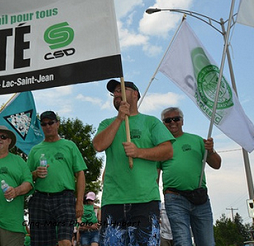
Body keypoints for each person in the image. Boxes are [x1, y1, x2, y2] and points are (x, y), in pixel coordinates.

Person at [92, 79, 174, 245]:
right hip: (113, 200)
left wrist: (139, 152)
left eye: (120, 89)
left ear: (135, 94)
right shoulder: (107, 123)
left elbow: (167, 151)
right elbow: (98, 145)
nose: (116, 94)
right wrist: (119, 119)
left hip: (145, 201)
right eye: (114, 92)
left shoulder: (151, 122)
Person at [158, 107, 221, 246]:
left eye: (176, 119)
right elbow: (155, 177)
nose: (172, 122)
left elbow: (216, 164)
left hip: (200, 198)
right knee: (182, 241)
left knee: (207, 242)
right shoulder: (160, 146)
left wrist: (211, 151)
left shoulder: (197, 141)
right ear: (163, 123)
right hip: (174, 198)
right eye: (168, 120)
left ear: (182, 121)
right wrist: (155, 204)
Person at [27, 110, 87, 246]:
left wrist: (79, 202)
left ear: (57, 124)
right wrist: (35, 173)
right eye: (44, 124)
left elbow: (80, 174)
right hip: (40, 199)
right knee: (40, 243)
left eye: (51, 123)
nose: (48, 126)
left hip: (64, 197)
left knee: (64, 240)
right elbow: (26, 178)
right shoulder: (35, 150)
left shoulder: (69, 146)